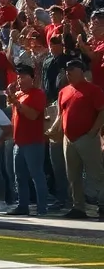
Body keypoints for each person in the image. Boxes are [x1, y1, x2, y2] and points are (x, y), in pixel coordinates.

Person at [47, 60, 104, 220]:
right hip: (68, 139)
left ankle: (102, 205)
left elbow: (102, 111)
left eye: (72, 69)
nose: (68, 72)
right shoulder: (63, 91)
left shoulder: (93, 90)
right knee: (73, 175)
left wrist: (93, 131)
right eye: (67, 69)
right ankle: (78, 207)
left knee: (97, 173)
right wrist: (53, 130)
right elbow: (60, 115)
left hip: (87, 137)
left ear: (82, 71)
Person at [5, 65, 48, 216]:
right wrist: (12, 98)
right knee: (19, 176)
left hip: (33, 141)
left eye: (23, 77)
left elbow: (32, 115)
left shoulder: (38, 94)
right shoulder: (18, 95)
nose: (20, 80)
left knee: (36, 174)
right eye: (18, 77)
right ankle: (22, 205)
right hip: (19, 142)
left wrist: (15, 102)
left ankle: (42, 207)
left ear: (32, 78)